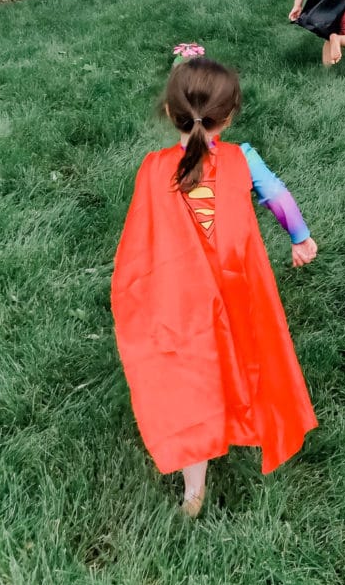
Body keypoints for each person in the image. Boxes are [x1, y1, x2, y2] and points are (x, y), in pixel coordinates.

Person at [112, 51, 318, 518]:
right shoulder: (243, 159)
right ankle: (241, 418)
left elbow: (143, 238)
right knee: (243, 359)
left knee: (192, 377)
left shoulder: (153, 169)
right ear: (229, 116)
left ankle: (194, 492)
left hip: (181, 299)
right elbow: (277, 195)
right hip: (238, 291)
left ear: (170, 112)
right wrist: (300, 239)